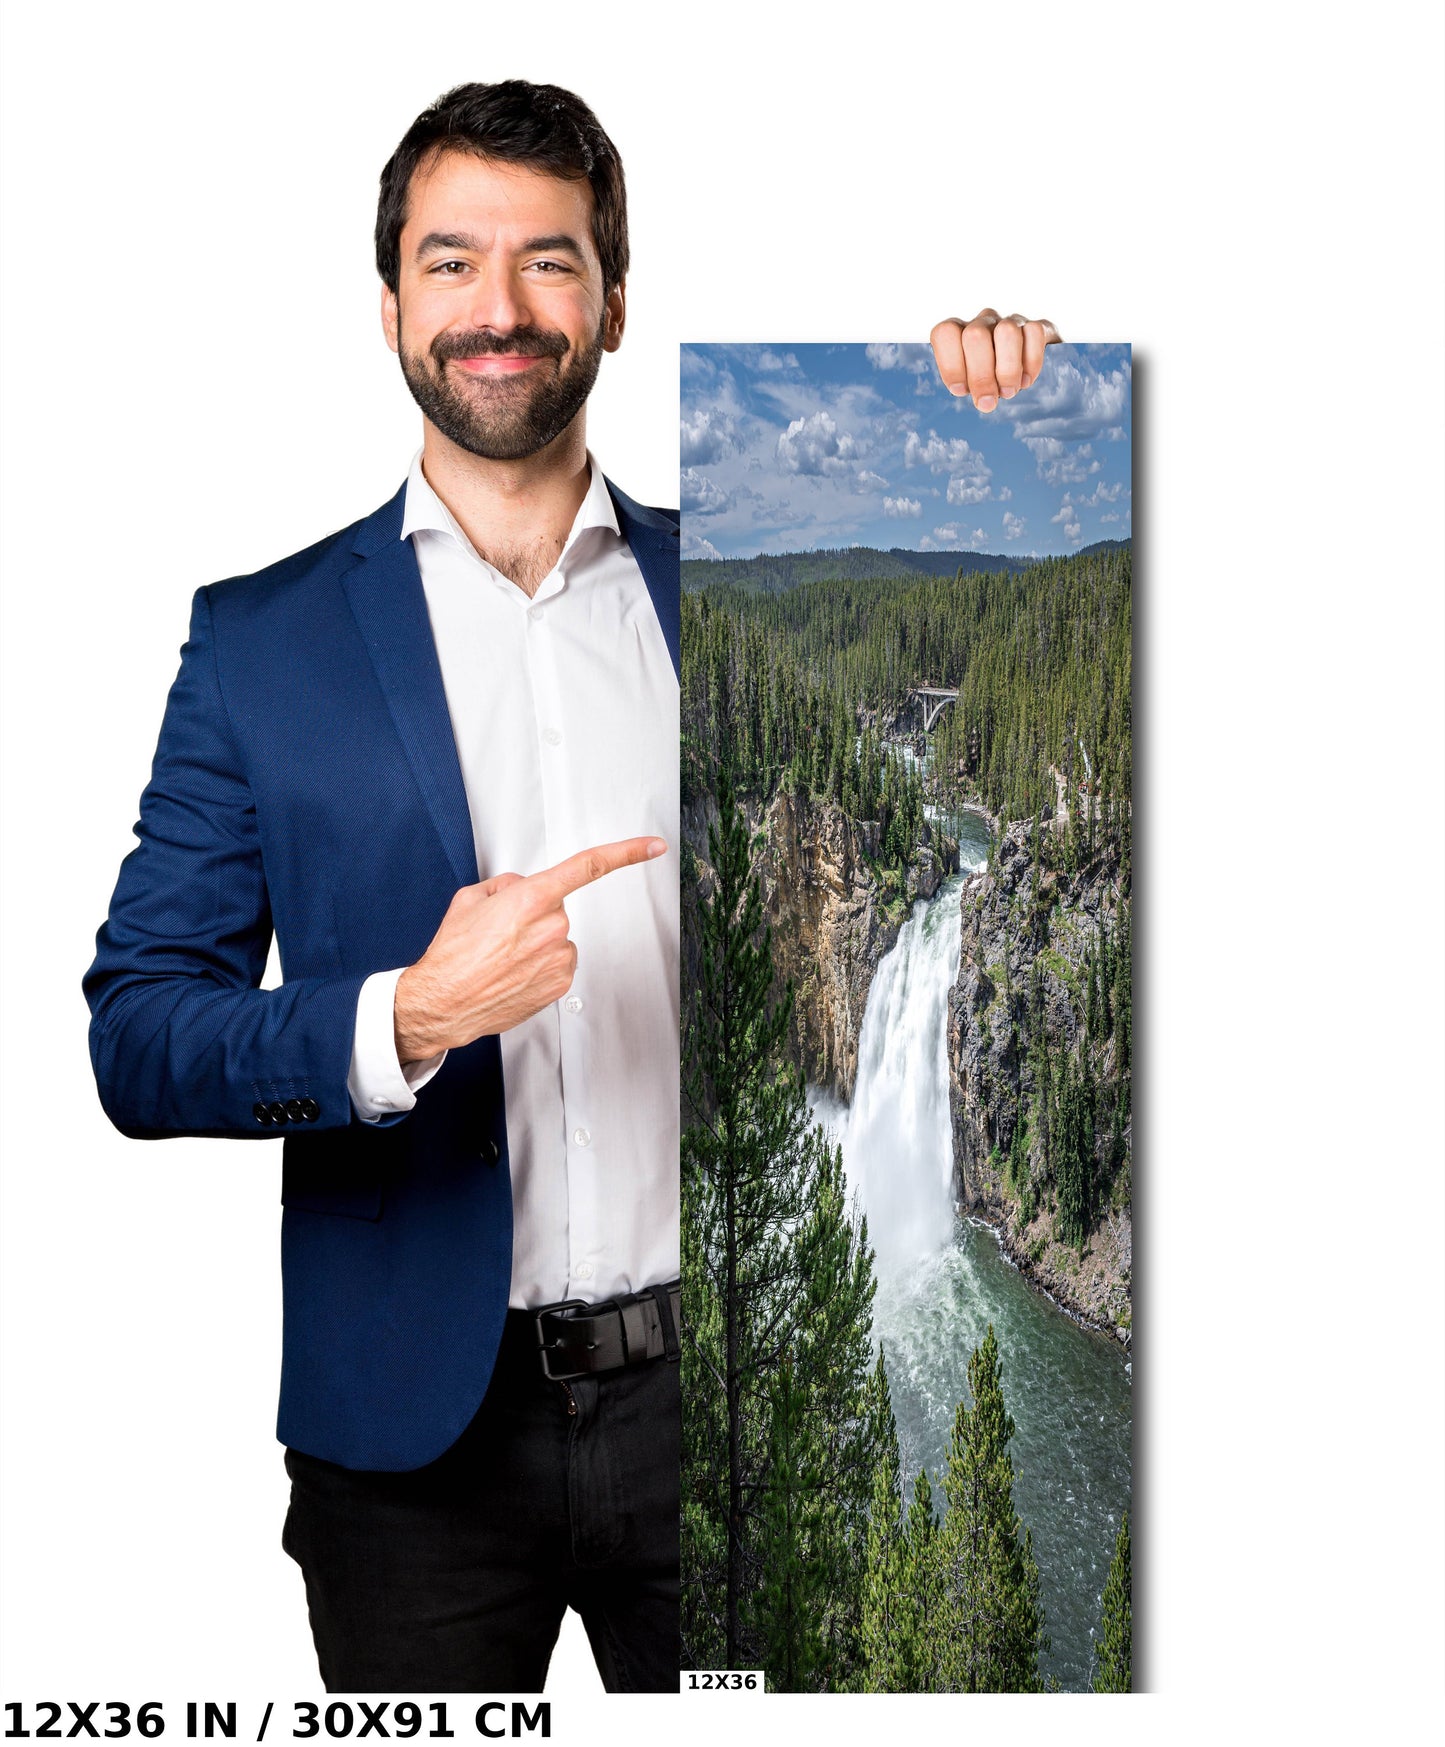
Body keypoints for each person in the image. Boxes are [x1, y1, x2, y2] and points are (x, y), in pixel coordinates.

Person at [83, 77, 1058, 1695]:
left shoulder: (715, 597)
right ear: (390, 299)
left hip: (737, 1400)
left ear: (613, 299)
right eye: (450, 260)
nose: (499, 309)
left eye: (549, 260)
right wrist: (400, 1017)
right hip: (411, 1453)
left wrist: (1006, 392)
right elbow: (137, 1038)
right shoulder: (259, 646)